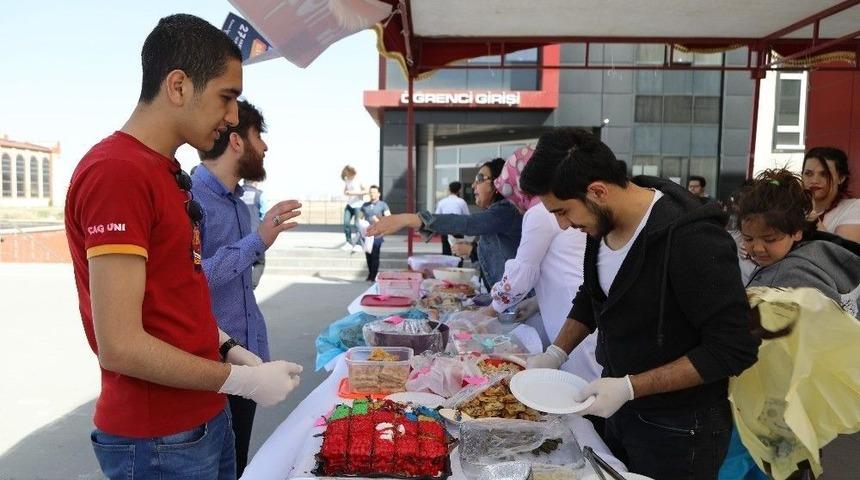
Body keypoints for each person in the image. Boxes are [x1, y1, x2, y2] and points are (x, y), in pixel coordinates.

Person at [64, 14, 301, 479]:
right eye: (226, 97)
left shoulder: (166, 173)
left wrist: (229, 347)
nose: (233, 116)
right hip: (159, 438)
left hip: (203, 417)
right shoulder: (118, 173)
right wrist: (243, 380)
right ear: (177, 86)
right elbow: (121, 346)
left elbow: (177, 293)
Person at [519, 128, 759, 480]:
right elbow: (594, 295)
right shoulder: (601, 225)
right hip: (620, 416)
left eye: (564, 211)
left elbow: (733, 347)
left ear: (598, 191)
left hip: (680, 430)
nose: (564, 225)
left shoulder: (692, 238)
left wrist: (631, 386)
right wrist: (556, 352)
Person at [195, 99, 304, 476]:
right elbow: (193, 279)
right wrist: (256, 242)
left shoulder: (242, 205)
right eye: (260, 136)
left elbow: (245, 278)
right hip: (209, 364)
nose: (265, 147)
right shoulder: (190, 199)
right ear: (237, 141)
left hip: (249, 354)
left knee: (237, 463)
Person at [484, 146, 600, 382]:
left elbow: (521, 275)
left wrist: (490, 310)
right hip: (581, 304)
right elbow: (564, 260)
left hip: (572, 310)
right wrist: (536, 302)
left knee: (581, 386)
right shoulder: (566, 206)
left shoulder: (540, 213)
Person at [367, 158, 522, 290]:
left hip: (516, 307)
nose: (474, 185)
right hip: (503, 300)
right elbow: (500, 249)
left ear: (497, 183)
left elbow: (468, 223)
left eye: (480, 179)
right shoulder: (498, 213)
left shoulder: (506, 210)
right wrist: (472, 250)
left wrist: (408, 219)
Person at [738, 168, 860, 317]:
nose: (757, 248)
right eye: (748, 239)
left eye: (770, 239)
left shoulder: (789, 279)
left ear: (797, 232)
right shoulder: (821, 253)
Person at [801, 147, 860, 243]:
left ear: (841, 178)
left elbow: (843, 254)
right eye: (808, 173)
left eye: (824, 174)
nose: (814, 181)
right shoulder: (792, 208)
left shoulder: (854, 207)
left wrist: (814, 222)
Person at [359, 185, 392, 281]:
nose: (372, 194)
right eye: (371, 192)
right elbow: (359, 218)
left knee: (375, 255)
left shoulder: (383, 205)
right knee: (368, 256)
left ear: (378, 194)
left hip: (377, 235)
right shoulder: (365, 206)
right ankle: (370, 274)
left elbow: (389, 218)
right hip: (367, 234)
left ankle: (373, 276)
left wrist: (378, 221)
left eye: (374, 192)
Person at [241, 179, 268, 289]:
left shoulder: (235, 193)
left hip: (238, 234)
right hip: (255, 234)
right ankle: (251, 285)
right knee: (259, 262)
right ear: (255, 182)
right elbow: (264, 215)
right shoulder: (259, 195)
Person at [435, 181, 470, 255]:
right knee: (458, 253)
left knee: (446, 252)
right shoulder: (461, 202)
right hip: (458, 229)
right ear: (459, 190)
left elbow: (437, 216)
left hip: (445, 229)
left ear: (449, 189)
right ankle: (458, 266)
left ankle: (447, 266)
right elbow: (467, 216)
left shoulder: (442, 202)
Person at [341, 165, 368, 252]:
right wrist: (346, 192)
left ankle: (359, 244)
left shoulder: (359, 180)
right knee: (346, 223)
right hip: (349, 205)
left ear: (352, 173)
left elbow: (366, 191)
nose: (348, 177)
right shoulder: (347, 180)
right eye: (346, 176)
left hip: (359, 205)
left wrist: (353, 193)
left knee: (358, 225)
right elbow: (345, 190)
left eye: (348, 175)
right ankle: (348, 242)